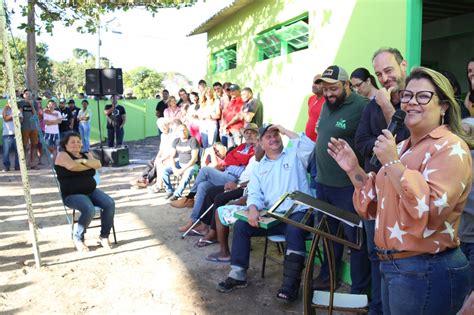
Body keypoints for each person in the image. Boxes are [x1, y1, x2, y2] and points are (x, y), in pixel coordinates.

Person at [328, 67, 473, 314]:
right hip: (393, 266)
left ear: (444, 107)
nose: (411, 102)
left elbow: (429, 213)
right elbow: (373, 206)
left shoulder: (450, 147)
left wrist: (393, 163)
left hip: (424, 270)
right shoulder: (403, 146)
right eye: (407, 96)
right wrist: (353, 170)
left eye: (423, 96)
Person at [216, 124, 314, 304]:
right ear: (261, 142)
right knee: (242, 226)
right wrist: (253, 209)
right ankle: (237, 275)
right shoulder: (260, 167)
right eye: (268, 136)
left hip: (298, 212)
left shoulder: (295, 156)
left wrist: (284, 130)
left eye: (276, 134)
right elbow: (254, 193)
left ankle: (290, 286)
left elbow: (309, 146)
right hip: (272, 216)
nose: (274, 138)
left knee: (295, 230)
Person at [354, 47, 410, 314]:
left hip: (403, 195)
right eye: (379, 73)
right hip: (374, 193)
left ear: (403, 66)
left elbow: (410, 144)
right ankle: (377, 308)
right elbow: (360, 140)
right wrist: (383, 147)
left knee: (397, 258)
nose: (385, 78)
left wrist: (388, 108)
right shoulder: (371, 106)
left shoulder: (416, 101)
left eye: (389, 70)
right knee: (375, 255)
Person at [313, 65, 370, 294]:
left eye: (334, 88)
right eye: (325, 88)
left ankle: (360, 292)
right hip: (323, 184)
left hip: (347, 189)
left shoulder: (362, 107)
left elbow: (370, 145)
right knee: (328, 237)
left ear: (347, 85)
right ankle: (328, 278)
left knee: (356, 243)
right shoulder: (328, 105)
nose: (328, 94)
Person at [172, 124, 258, 233]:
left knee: (205, 170)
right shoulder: (241, 147)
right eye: (247, 132)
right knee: (203, 186)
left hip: (235, 180)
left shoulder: (257, 148)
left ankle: (189, 197)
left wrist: (235, 159)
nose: (249, 134)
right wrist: (236, 160)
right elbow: (228, 159)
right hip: (226, 173)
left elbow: (243, 160)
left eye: (252, 132)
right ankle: (195, 222)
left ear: (257, 135)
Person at [55, 131, 115, 252]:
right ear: (65, 145)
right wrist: (88, 165)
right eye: (72, 142)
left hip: (91, 191)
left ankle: (104, 236)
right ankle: (78, 238)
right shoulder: (62, 155)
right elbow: (72, 167)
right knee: (89, 209)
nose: (76, 144)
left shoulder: (86, 154)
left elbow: (98, 164)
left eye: (78, 141)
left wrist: (82, 161)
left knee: (110, 204)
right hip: (72, 195)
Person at [161, 123, 199, 201]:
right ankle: (169, 191)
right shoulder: (176, 141)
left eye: (184, 130)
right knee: (164, 170)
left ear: (187, 130)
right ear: (177, 132)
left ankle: (177, 194)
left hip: (192, 165)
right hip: (180, 164)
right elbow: (172, 156)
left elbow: (194, 159)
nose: (183, 132)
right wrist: (174, 168)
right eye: (181, 131)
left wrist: (182, 170)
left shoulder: (192, 140)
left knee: (187, 174)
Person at [18, 89, 40, 169]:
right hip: (24, 127)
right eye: (26, 94)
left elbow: (36, 114)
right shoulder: (20, 103)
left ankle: (33, 164)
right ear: (23, 95)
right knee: (25, 146)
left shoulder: (35, 103)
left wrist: (31, 105)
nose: (28, 95)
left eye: (29, 94)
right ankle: (25, 164)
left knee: (34, 145)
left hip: (34, 127)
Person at [220, 84, 245, 148]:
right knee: (230, 150)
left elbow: (238, 117)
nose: (231, 92)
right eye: (230, 91)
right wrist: (222, 126)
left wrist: (227, 125)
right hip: (229, 130)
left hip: (236, 129)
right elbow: (224, 114)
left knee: (237, 149)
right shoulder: (231, 101)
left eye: (233, 91)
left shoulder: (241, 100)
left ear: (239, 91)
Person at [305, 74, 325, 142]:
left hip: (318, 142)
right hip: (307, 140)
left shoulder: (327, 102)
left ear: (324, 85)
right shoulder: (311, 99)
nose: (314, 85)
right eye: (313, 82)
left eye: (318, 83)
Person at [2, 100, 20, 171]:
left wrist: (11, 117)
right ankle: (7, 166)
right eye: (10, 103)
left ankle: (17, 166)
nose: (11, 104)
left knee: (18, 151)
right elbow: (5, 118)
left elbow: (20, 119)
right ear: (7, 103)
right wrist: (14, 116)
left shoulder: (17, 110)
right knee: (6, 152)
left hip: (17, 133)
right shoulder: (4, 110)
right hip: (7, 134)